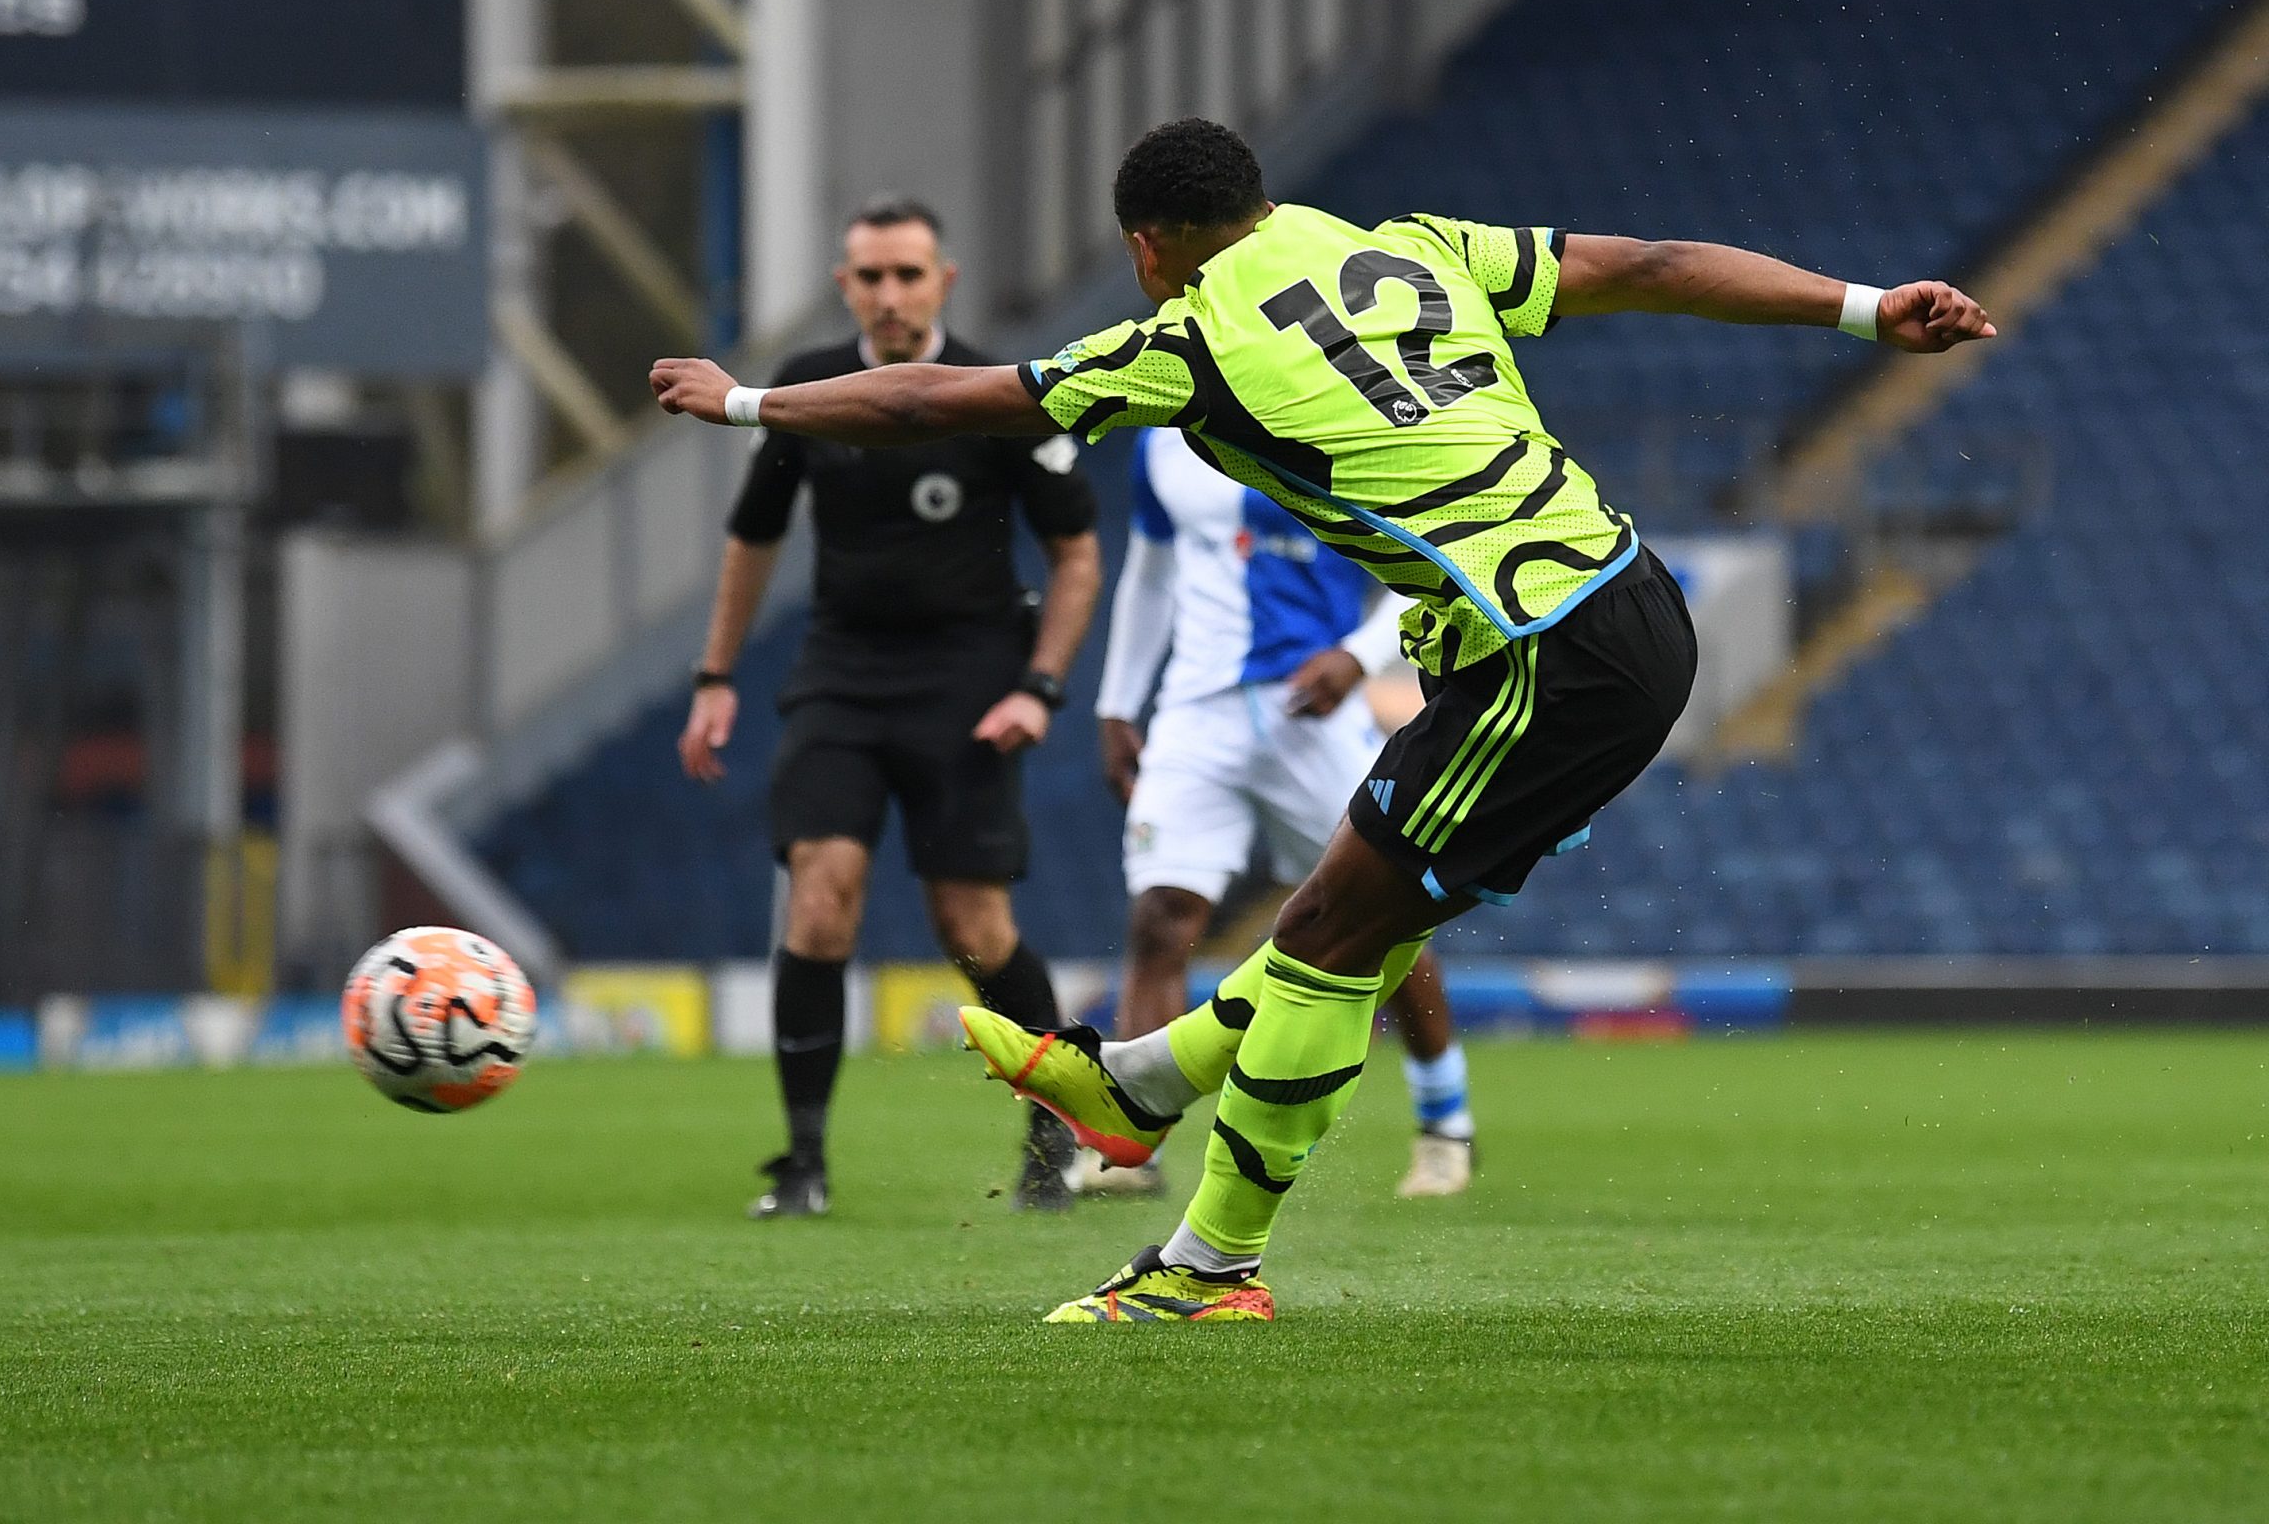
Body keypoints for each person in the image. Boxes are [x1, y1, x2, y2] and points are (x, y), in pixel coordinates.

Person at [652, 118, 1994, 1317]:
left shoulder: (1188, 342)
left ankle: (1204, 1266)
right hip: (1604, 600)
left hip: (1548, 650)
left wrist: (749, 401)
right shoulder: (1413, 247)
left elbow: (937, 398)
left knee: (1334, 941)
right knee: (1338, 924)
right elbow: (1649, 262)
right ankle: (1136, 1089)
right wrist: (1865, 308)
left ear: (1148, 248)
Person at [677, 196, 1104, 1219]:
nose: (890, 293)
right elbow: (753, 536)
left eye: (908, 273)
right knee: (821, 898)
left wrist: (1039, 686)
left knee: (974, 926)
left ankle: (1057, 1129)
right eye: (870, 276)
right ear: (844, 286)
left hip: (970, 684)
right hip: (842, 677)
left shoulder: (996, 390)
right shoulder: (806, 389)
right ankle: (803, 1163)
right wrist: (714, 676)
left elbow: (1077, 554)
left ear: (943, 281)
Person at [1088, 423, 1478, 1200]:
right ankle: (1132, 1148)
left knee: (1384, 918)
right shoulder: (1160, 437)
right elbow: (1151, 572)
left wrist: (1360, 657)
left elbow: (1429, 560)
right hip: (1195, 713)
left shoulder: (1328, 415)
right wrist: (1117, 702)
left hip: (1316, 713)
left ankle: (1446, 1126)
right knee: (1160, 919)